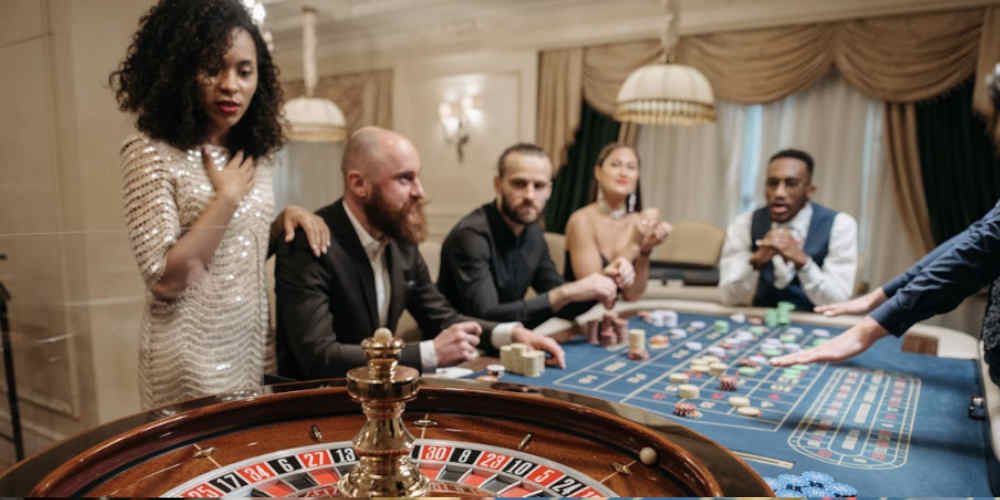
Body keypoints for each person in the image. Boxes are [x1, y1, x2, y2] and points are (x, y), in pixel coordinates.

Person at [112, 0, 330, 408]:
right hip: (184, 361)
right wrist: (226, 199)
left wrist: (283, 218)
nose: (231, 85)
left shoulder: (255, 155)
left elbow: (233, 250)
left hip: (250, 350)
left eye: (244, 71)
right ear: (179, 71)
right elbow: (166, 281)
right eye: (213, 68)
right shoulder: (149, 153)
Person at [275, 127, 566, 380]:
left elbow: (440, 316)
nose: (420, 192)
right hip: (315, 405)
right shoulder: (308, 242)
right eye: (405, 179)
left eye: (418, 177)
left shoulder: (401, 241)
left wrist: (509, 334)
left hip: (379, 396)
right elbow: (318, 358)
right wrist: (428, 353)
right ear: (358, 184)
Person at [437, 143, 634, 329]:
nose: (530, 195)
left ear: (549, 190)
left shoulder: (532, 233)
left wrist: (608, 279)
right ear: (498, 184)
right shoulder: (470, 237)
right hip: (461, 352)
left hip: (506, 341)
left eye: (538, 186)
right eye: (519, 184)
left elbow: (564, 306)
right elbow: (486, 316)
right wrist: (564, 293)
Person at [719, 149, 858, 311]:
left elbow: (838, 302)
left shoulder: (841, 224)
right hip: (759, 319)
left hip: (817, 322)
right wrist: (755, 262)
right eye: (772, 183)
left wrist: (803, 262)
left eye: (791, 184)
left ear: (809, 191)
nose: (779, 193)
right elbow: (729, 298)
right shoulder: (744, 223)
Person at [564, 143, 671, 301]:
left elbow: (632, 295)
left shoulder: (638, 221)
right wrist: (635, 243)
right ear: (598, 172)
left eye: (631, 167)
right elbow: (594, 292)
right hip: (580, 313)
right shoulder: (581, 220)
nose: (623, 173)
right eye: (615, 165)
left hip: (615, 315)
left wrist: (645, 250)